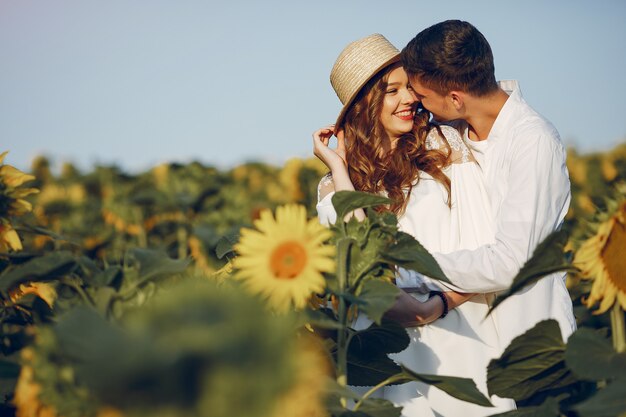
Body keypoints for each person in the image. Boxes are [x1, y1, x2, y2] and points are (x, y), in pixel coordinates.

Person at [314, 33, 515, 417]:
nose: (408, 99)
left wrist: (432, 307)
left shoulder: (444, 148)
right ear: (363, 105)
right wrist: (339, 169)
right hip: (384, 353)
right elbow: (361, 261)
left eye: (410, 86)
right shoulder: (336, 184)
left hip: (460, 335)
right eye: (392, 91)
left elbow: (488, 245)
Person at [396, 20, 576, 351]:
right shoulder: (453, 135)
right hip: (478, 348)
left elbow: (511, 262)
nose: (416, 103)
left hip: (533, 347)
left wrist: (403, 271)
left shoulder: (532, 142)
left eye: (421, 95)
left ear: (454, 97)